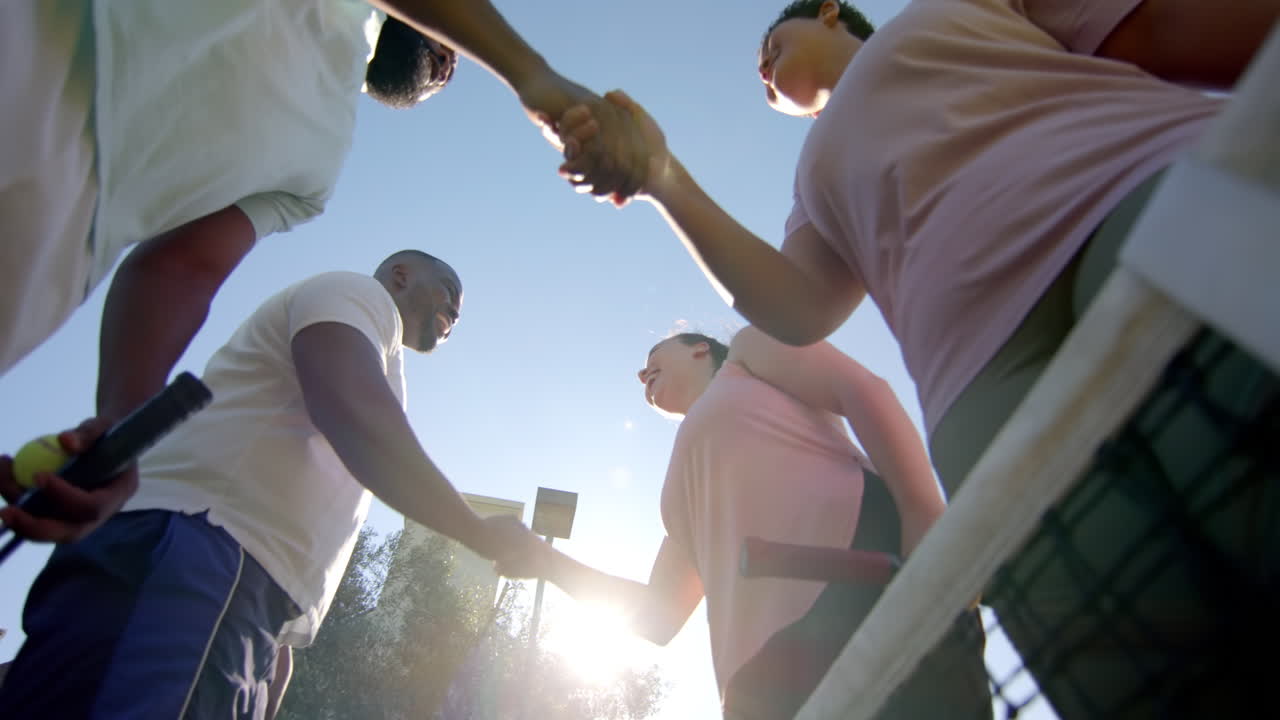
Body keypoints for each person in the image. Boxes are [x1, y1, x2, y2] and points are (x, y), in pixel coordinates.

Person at [557, 1, 1279, 715]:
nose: (763, 68)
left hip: (1141, 210)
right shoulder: (813, 180)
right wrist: (661, 178)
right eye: (760, 72)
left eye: (773, 42)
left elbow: (1164, 28)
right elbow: (797, 307)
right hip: (987, 398)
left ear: (833, 12)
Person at [0, 0, 634, 548]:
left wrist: (121, 422)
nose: (452, 61)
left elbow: (181, 266)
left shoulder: (318, 160)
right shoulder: (355, 298)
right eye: (455, 44)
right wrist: (536, 79)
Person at [0, 250, 548, 718]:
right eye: (449, 292)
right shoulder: (357, 295)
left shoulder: (384, 359)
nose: (455, 311)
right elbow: (356, 417)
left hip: (236, 592)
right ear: (401, 275)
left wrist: (276, 656)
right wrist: (474, 531)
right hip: (197, 554)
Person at [509, 329, 991, 719]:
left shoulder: (746, 353)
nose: (642, 372)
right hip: (762, 688)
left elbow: (862, 391)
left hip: (870, 586)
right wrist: (545, 560)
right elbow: (657, 615)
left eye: (655, 353)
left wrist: (925, 522)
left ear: (701, 349)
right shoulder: (679, 488)